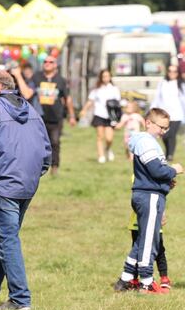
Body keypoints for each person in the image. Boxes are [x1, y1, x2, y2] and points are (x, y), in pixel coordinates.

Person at [0, 70, 51, 310]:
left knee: (7, 240)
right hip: (27, 183)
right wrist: (37, 172)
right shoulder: (30, 107)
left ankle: (20, 299)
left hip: (3, 183)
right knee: (5, 239)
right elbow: (46, 149)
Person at [114, 108, 181, 294]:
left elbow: (153, 174)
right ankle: (146, 281)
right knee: (149, 241)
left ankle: (125, 279)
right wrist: (173, 170)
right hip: (149, 196)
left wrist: (167, 182)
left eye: (167, 129)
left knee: (143, 238)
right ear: (148, 123)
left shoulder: (146, 142)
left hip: (147, 194)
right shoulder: (147, 142)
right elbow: (157, 170)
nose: (164, 132)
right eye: (162, 127)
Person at [31, 56, 76, 176]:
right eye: (45, 61)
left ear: (55, 65)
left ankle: (54, 166)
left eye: (51, 62)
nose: (47, 64)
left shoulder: (61, 80)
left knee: (55, 142)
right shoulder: (36, 77)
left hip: (56, 117)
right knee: (38, 143)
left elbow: (67, 98)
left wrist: (71, 116)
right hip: (39, 117)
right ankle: (38, 167)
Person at [78, 69, 122, 163]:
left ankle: (108, 149)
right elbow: (90, 101)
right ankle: (101, 156)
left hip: (110, 116)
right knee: (100, 136)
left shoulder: (114, 89)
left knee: (109, 138)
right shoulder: (96, 90)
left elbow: (118, 104)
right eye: (104, 76)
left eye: (107, 76)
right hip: (99, 114)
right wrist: (84, 110)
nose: (105, 78)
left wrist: (119, 117)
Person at [151, 64, 185, 160]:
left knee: (172, 134)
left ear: (177, 73)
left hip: (177, 115)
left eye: (174, 71)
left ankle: (170, 155)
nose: (172, 73)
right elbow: (157, 98)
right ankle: (167, 152)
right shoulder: (163, 83)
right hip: (164, 115)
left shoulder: (181, 84)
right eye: (170, 71)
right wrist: (152, 110)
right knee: (164, 135)